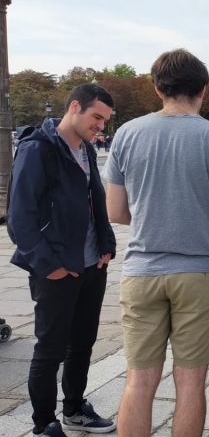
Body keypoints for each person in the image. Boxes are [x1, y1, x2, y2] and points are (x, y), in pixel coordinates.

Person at [102, 48, 209, 437]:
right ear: (203, 88)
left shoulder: (127, 134)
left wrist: (156, 214)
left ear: (157, 88)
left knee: (139, 381)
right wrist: (202, 210)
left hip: (142, 272)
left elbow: (115, 212)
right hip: (199, 274)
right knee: (190, 382)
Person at [8, 83, 117, 437]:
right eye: (96, 117)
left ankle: (74, 408)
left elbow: (95, 199)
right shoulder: (37, 149)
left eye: (105, 120)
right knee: (50, 348)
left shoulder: (85, 147)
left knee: (83, 342)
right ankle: (44, 423)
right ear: (75, 107)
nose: (101, 126)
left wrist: (106, 243)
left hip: (90, 265)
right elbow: (20, 217)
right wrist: (47, 265)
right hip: (56, 269)